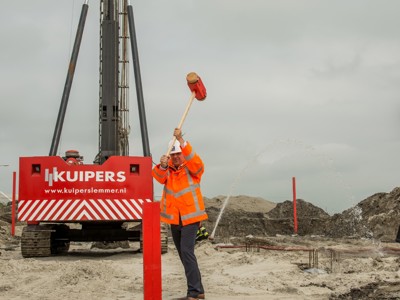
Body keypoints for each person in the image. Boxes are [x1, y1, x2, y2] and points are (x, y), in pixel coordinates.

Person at [152, 128, 207, 300]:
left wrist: (182, 141)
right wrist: (161, 165)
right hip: (175, 220)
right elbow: (158, 177)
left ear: (183, 154)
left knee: (186, 252)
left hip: (191, 218)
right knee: (184, 255)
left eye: (178, 153)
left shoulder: (191, 169)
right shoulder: (167, 171)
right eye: (173, 154)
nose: (176, 156)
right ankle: (199, 291)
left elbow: (198, 165)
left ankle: (194, 292)